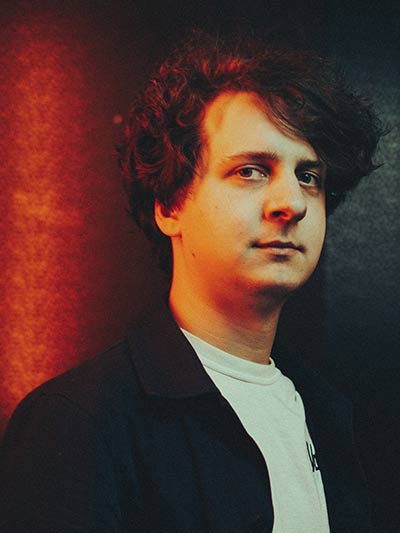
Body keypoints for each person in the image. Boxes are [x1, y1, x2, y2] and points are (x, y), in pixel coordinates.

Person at [0, 28, 382, 532]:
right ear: (170, 205)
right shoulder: (77, 422)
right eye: (251, 170)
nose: (292, 202)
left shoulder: (330, 414)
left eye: (308, 176)